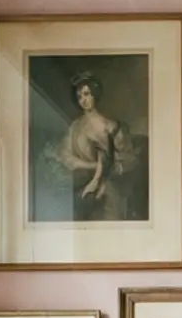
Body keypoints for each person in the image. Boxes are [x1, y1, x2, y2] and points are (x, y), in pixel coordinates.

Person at [51, 70, 137, 220]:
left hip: (108, 188)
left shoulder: (111, 126)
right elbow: (65, 155)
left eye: (87, 94)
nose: (83, 100)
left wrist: (101, 175)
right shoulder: (75, 127)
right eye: (79, 96)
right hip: (79, 186)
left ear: (94, 94)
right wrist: (93, 165)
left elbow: (128, 158)